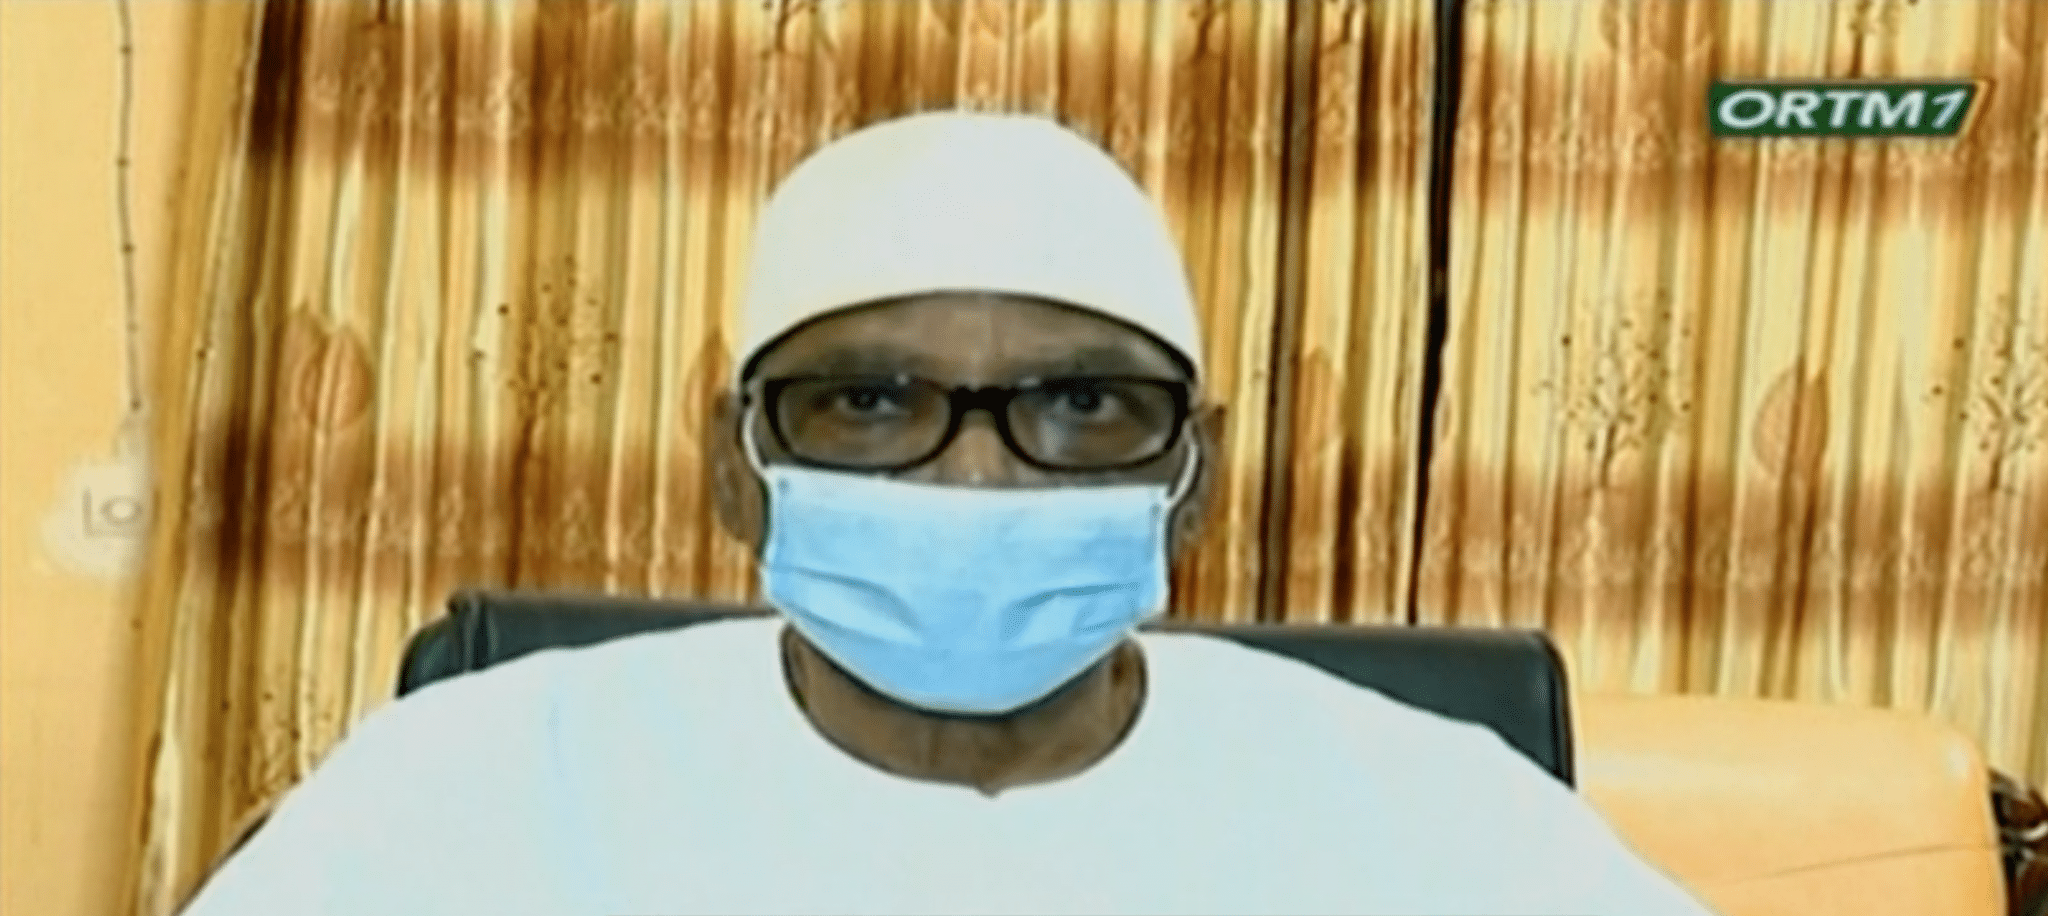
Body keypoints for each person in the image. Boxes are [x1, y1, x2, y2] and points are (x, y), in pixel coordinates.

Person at [180, 112, 1718, 916]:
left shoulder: (1431, 818)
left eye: (1082, 406)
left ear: (1195, 475)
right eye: (869, 403)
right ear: (733, 464)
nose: (975, 481)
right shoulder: (481, 788)